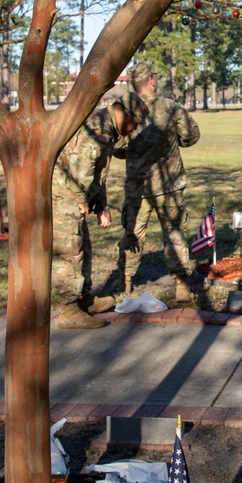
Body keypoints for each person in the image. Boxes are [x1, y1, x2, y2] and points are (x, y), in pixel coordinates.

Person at [52, 91, 149, 329]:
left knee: (82, 245)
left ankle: (83, 298)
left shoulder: (107, 128)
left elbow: (99, 174)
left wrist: (101, 206)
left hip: (74, 194)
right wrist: (81, 198)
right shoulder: (100, 128)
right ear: (126, 112)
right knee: (69, 250)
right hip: (63, 194)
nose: (134, 129)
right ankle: (68, 310)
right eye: (135, 122)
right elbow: (82, 167)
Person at [115, 61, 202, 303]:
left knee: (133, 233)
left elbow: (116, 147)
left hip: (137, 187)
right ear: (152, 81)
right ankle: (181, 285)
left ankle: (124, 281)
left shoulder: (124, 111)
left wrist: (135, 154)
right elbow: (191, 135)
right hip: (169, 185)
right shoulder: (171, 108)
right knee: (174, 233)